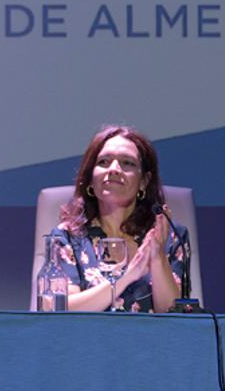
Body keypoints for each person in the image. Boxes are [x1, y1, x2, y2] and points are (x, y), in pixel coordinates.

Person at [49, 125, 189, 312]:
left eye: (127, 163)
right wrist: (127, 277)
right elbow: (62, 310)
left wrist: (157, 257)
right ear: (90, 179)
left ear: (144, 182)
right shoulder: (67, 237)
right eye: (104, 162)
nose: (114, 169)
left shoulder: (171, 237)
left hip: (151, 340)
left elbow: (174, 316)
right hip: (87, 340)